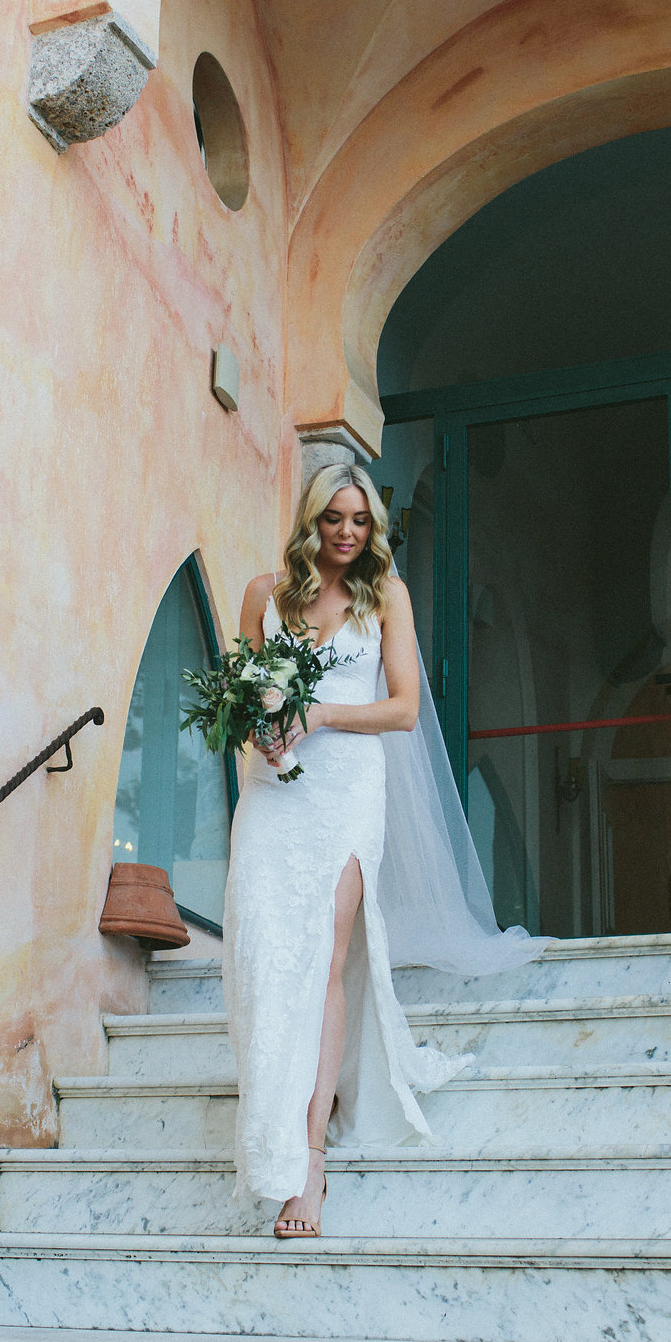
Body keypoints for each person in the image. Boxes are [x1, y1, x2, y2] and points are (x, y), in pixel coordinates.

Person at [222, 463, 547, 1239]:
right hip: (274, 795)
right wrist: (262, 730)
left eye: (360, 521)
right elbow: (240, 702)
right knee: (263, 956)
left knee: (326, 960)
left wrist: (320, 714)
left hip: (345, 794)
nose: (345, 532)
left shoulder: (385, 597)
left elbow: (403, 708)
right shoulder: (265, 596)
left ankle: (309, 1163)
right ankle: (268, 1107)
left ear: (374, 528)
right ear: (311, 520)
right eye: (333, 518)